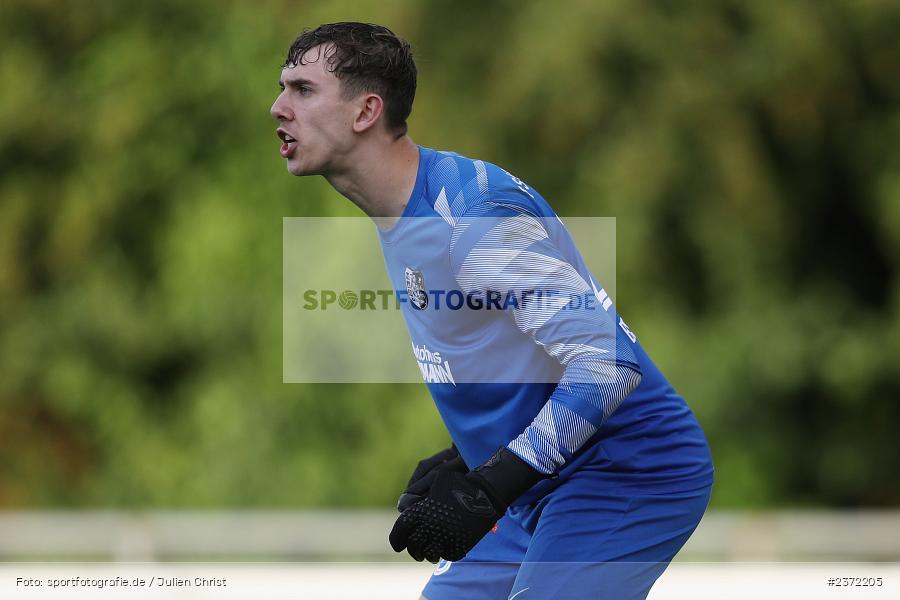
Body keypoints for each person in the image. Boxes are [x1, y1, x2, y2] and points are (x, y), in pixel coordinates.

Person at [271, 21, 714, 600]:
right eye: (283, 88)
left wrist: (491, 484)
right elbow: (518, 352)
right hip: (539, 484)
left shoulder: (472, 219)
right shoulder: (402, 211)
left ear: (365, 112)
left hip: (626, 471)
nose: (278, 107)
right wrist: (471, 456)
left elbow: (606, 362)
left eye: (302, 90)